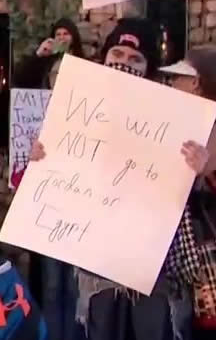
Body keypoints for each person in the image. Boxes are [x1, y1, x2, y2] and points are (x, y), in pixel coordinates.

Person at [29, 18, 208, 340]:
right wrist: (43, 157)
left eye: (134, 59)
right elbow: (60, 173)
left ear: (149, 68)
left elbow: (187, 188)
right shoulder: (77, 110)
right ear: (105, 59)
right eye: (118, 54)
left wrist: (199, 167)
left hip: (154, 270)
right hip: (97, 267)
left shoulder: (172, 118)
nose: (124, 64)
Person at [158, 46, 216, 340]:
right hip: (178, 279)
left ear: (196, 83)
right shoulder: (168, 127)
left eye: (178, 78)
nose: (171, 84)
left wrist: (210, 173)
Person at [13, 18, 85, 89]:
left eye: (65, 34)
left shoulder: (82, 61)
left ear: (73, 37)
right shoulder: (47, 59)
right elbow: (20, 79)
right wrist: (38, 54)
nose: (61, 37)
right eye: (58, 34)